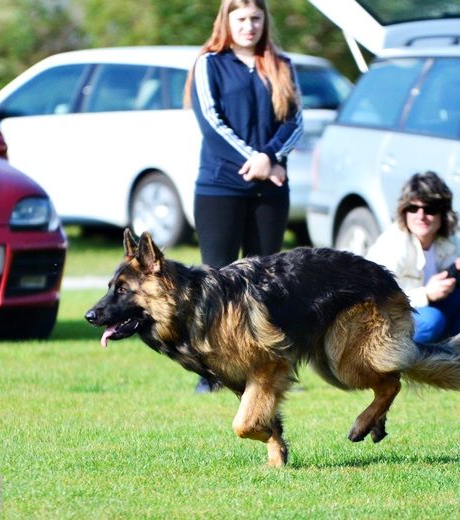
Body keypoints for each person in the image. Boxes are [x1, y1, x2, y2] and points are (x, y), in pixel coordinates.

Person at [184, 0, 303, 392]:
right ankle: (213, 373)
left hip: (270, 189)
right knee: (215, 282)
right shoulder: (209, 63)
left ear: (265, 20)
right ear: (227, 21)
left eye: (256, 18)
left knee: (267, 281)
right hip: (220, 187)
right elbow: (211, 123)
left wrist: (270, 158)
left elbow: (295, 121)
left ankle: (266, 372)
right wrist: (257, 159)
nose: (249, 26)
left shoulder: (281, 64)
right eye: (241, 19)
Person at [366, 171, 460, 343]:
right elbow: (376, 300)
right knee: (432, 319)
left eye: (429, 209)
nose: (420, 216)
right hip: (384, 326)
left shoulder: (448, 239)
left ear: (443, 214)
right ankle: (401, 367)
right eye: (413, 208)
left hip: (426, 313)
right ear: (404, 211)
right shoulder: (392, 245)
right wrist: (426, 294)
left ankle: (458, 361)